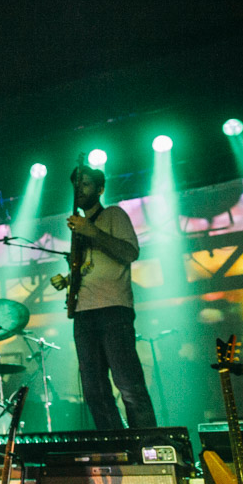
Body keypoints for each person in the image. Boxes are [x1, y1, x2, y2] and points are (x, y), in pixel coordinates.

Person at [66, 166, 157, 430]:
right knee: (94, 389)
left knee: (128, 383)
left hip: (113, 309)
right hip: (84, 313)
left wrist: (91, 231)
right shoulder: (78, 229)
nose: (79, 189)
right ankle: (116, 446)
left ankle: (148, 445)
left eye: (85, 184)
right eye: (76, 184)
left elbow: (129, 253)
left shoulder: (113, 214)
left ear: (100, 189)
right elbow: (86, 267)